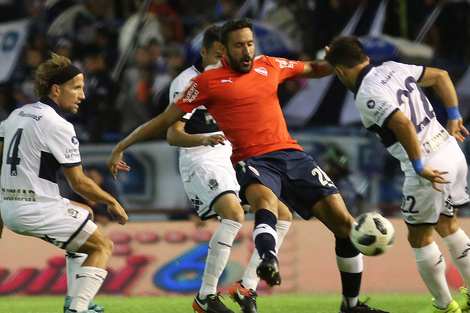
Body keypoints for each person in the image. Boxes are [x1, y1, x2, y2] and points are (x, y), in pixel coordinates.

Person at [108, 18, 387, 313]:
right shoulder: (204, 83)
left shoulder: (270, 65)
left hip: (292, 155)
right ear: (224, 49)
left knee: (344, 224)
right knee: (265, 203)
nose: (246, 51)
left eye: (250, 44)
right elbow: (165, 121)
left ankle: (351, 306)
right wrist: (122, 144)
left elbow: (313, 69)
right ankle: (265, 261)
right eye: (239, 45)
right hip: (251, 159)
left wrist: (332, 59)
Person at [325, 35, 470, 313]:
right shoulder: (392, 67)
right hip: (450, 150)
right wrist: (454, 116)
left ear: (340, 71)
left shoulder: (367, 93)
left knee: (419, 238)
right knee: (448, 227)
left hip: (428, 164)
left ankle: (444, 307)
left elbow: (402, 123)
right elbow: (441, 76)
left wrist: (418, 166)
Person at [167, 25, 292, 313]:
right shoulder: (187, 81)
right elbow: (173, 134)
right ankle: (206, 297)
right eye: (217, 54)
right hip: (201, 157)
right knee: (234, 215)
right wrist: (203, 138)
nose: (222, 60)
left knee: (282, 214)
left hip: (232, 156)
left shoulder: (235, 77)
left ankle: (246, 287)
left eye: (226, 54)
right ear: (204, 52)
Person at [0, 52, 128, 313]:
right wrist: (112, 201)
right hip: (38, 208)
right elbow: (79, 182)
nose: (82, 95)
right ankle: (77, 309)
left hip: (11, 207)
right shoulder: (57, 125)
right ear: (56, 89)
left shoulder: (16, 115)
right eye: (77, 88)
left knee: (86, 214)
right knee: (103, 245)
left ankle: (75, 297)